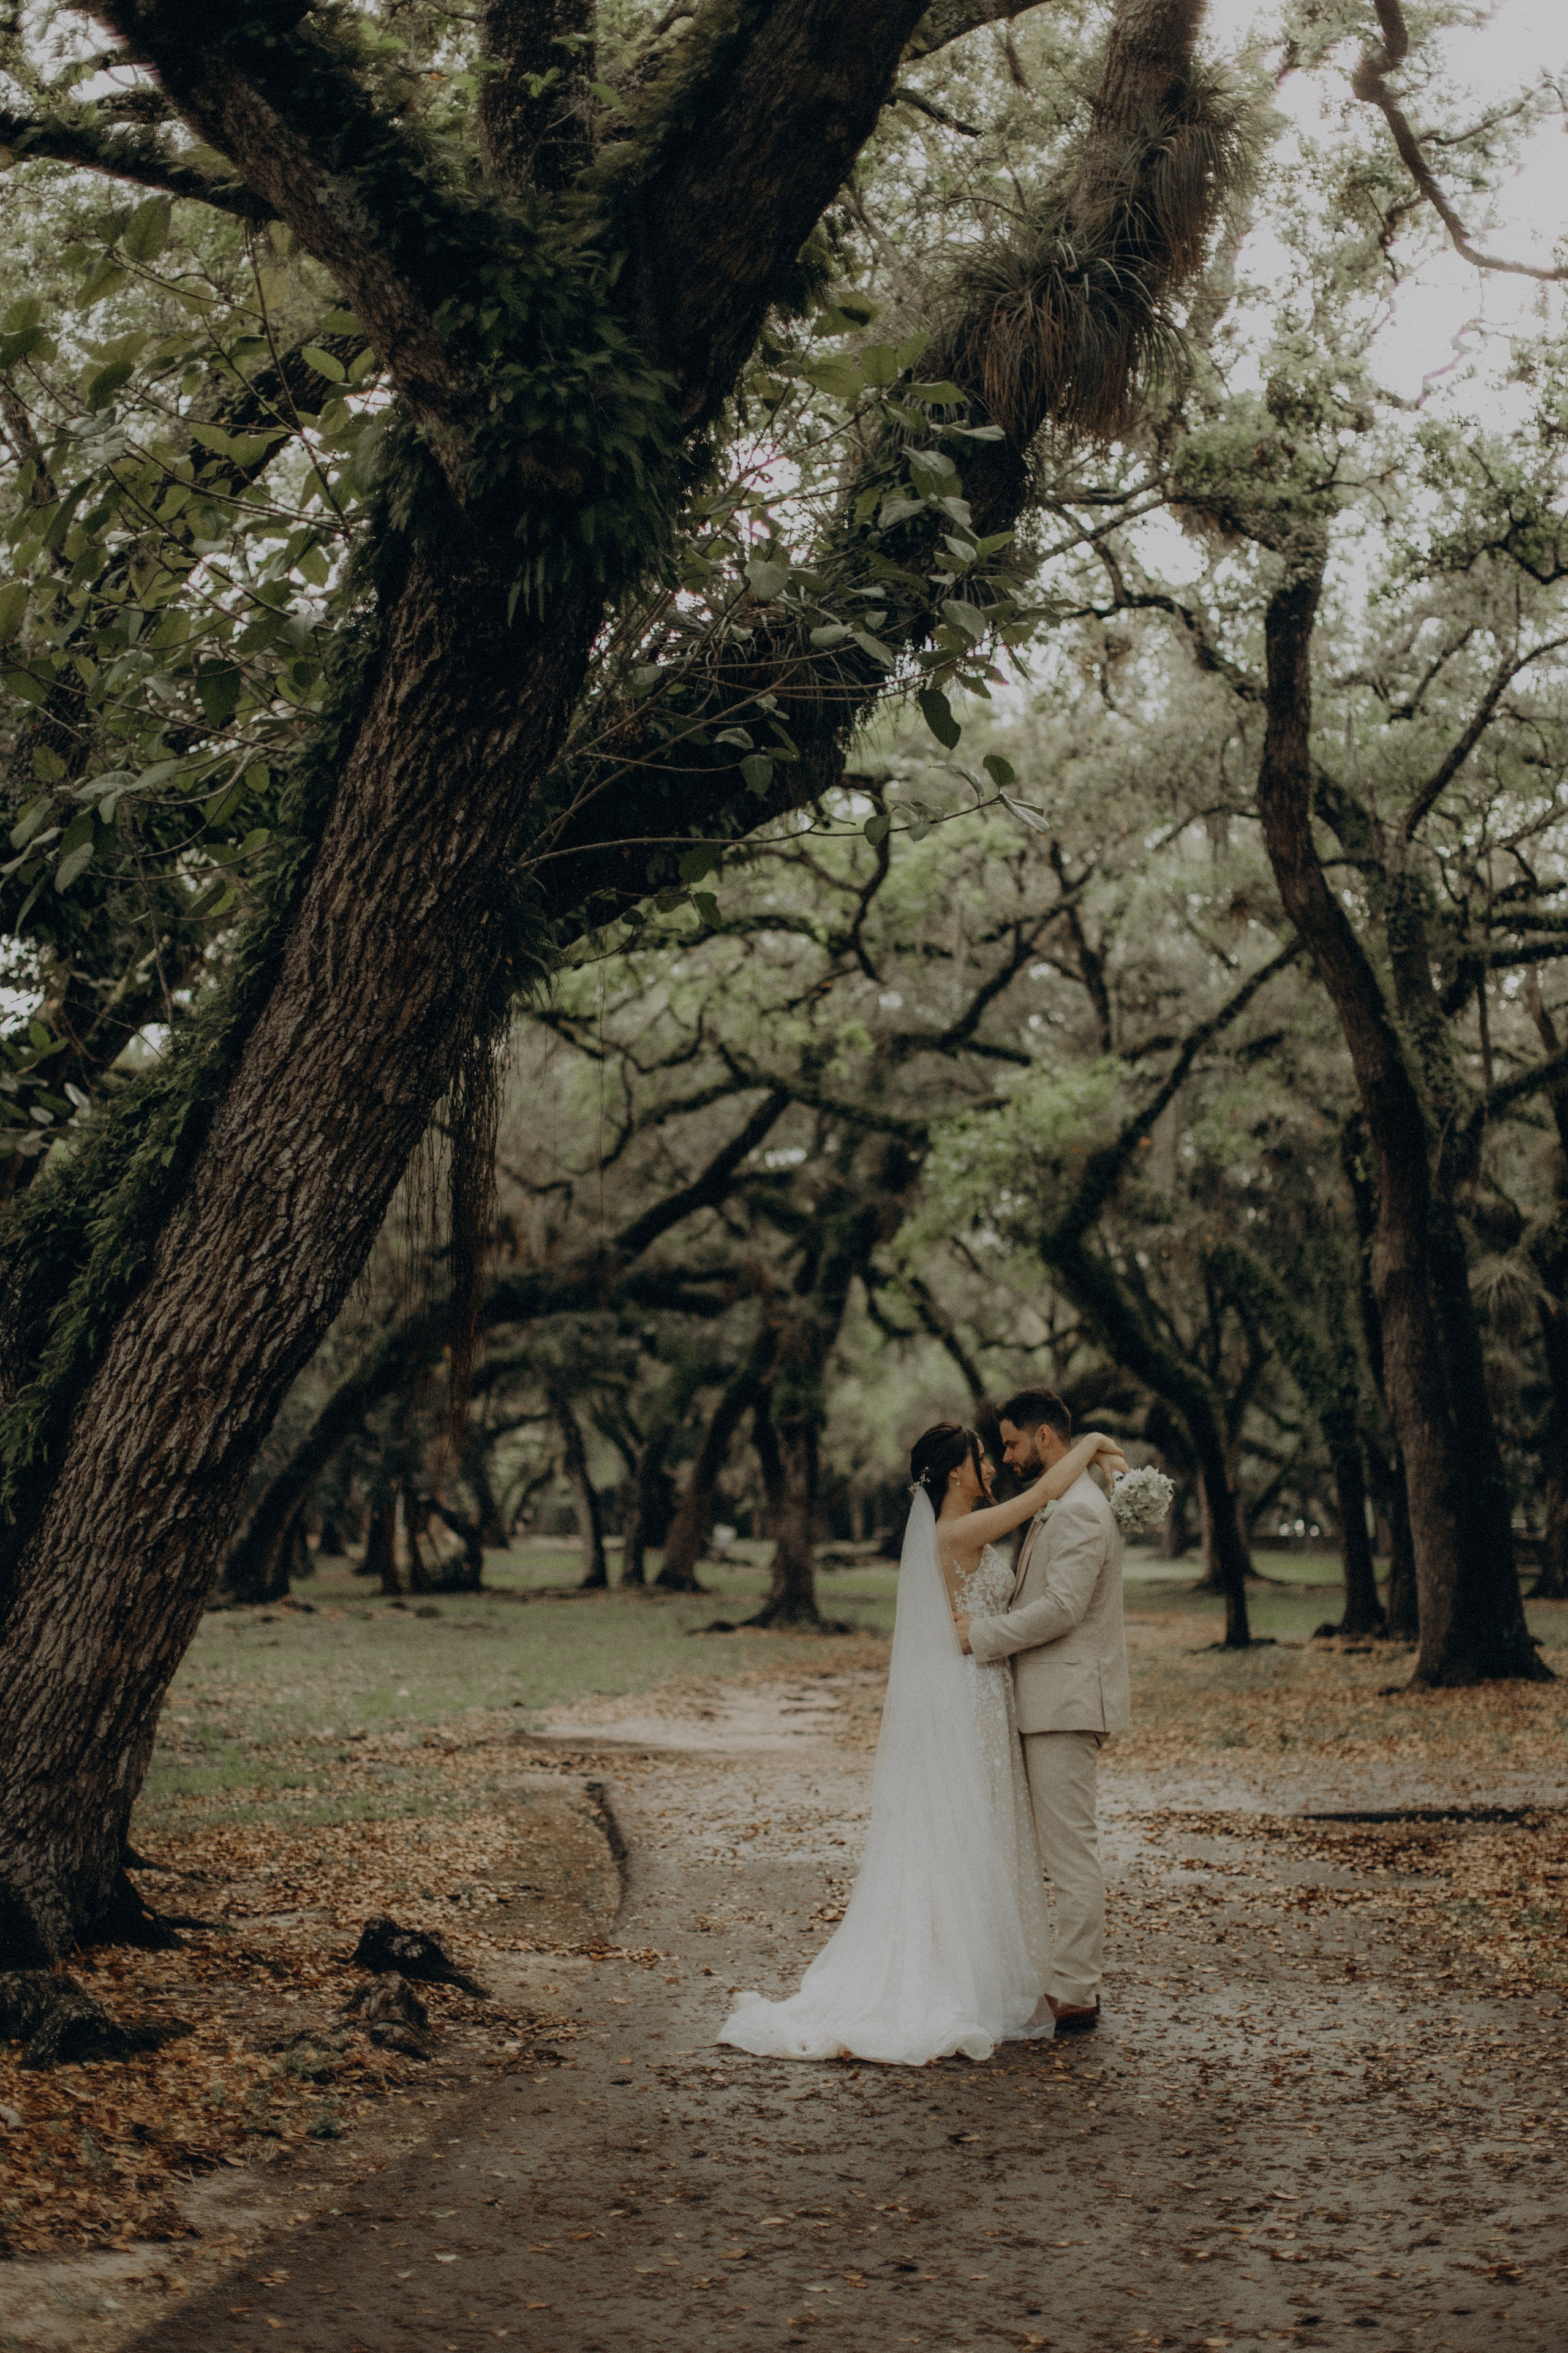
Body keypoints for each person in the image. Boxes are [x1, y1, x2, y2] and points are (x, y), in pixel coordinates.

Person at [719, 1416, 1126, 2066]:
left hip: (988, 1693)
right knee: (963, 1833)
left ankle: (982, 1966)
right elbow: (1041, 1497)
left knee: (979, 1835)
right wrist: (1093, 1447)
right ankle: (953, 1979)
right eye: (980, 1458)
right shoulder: (957, 1530)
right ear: (957, 1471)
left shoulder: (961, 1529)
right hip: (971, 1700)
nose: (992, 1465)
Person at [954, 1387, 1129, 2035]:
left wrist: (982, 1636)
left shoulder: (1081, 1511)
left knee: (1069, 1851)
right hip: (1046, 1700)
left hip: (1064, 1702)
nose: (1006, 1456)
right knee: (1058, 1849)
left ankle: (1077, 1989)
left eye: (1010, 1442)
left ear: (1045, 1439)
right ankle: (1060, 1976)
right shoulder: (1066, 1500)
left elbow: (1062, 1609)